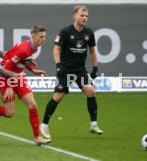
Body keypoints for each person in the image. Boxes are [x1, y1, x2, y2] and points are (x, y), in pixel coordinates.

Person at [40, 5, 103, 140]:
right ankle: (44, 125)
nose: (85, 18)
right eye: (82, 15)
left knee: (91, 91)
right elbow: (56, 49)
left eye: (86, 16)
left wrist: (95, 68)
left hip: (80, 70)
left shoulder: (89, 33)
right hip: (66, 69)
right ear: (75, 16)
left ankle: (93, 124)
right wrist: (58, 65)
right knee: (59, 96)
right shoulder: (66, 31)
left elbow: (92, 50)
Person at [0, 26, 51, 145]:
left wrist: (33, 71)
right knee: (9, 113)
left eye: (44, 37)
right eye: (41, 37)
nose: (43, 39)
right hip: (6, 76)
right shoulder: (24, 49)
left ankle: (37, 138)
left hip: (18, 76)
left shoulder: (34, 48)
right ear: (33, 37)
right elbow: (7, 67)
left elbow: (22, 62)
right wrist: (10, 86)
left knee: (32, 105)